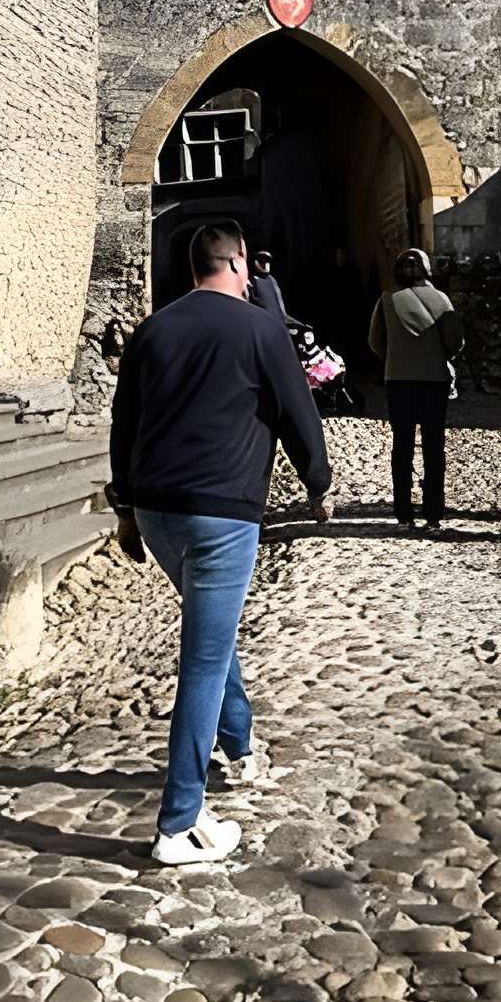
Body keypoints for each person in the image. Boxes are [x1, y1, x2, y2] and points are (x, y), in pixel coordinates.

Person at [109, 219, 332, 867]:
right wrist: (317, 484)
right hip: (222, 513)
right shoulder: (263, 328)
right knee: (203, 660)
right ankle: (180, 822)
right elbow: (298, 412)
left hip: (157, 513)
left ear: (192, 267)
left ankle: (238, 744)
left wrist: (125, 507)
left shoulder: (154, 330)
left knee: (215, 631)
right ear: (237, 263)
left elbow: (125, 424)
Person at [368, 247, 460, 532]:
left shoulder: (386, 300)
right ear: (426, 269)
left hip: (399, 381)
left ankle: (404, 512)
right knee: (434, 447)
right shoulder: (443, 300)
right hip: (434, 381)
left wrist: (397, 358)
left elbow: (374, 340)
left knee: (402, 445)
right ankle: (433, 513)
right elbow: (455, 342)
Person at [247, 248, 288, 323]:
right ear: (255, 261)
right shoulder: (251, 281)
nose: (265, 264)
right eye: (261, 261)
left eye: (267, 260)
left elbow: (280, 301)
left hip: (279, 323)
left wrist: (284, 319)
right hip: (263, 324)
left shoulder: (272, 280)